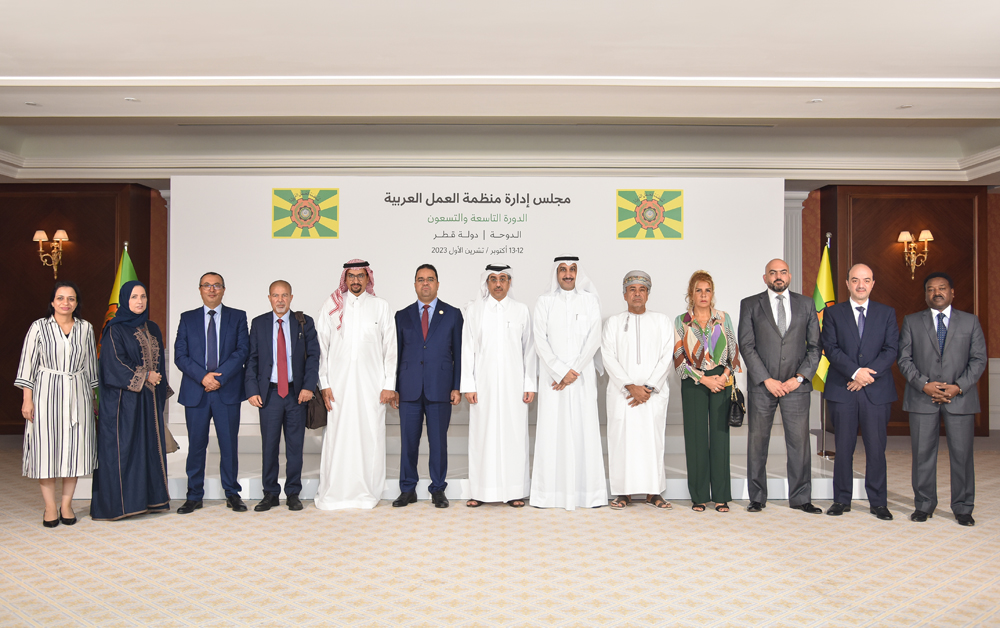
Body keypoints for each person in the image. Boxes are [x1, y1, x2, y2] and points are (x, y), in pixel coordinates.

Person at [898, 272, 987, 526]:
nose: (936, 293)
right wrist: (924, 385)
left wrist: (959, 387)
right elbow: (904, 360)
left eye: (942, 288)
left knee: (962, 455)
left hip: (960, 398)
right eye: (930, 289)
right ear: (925, 294)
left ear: (952, 292)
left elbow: (979, 359)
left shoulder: (970, 322)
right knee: (922, 454)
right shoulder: (911, 321)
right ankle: (924, 505)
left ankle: (963, 507)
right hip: (922, 398)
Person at [738, 258, 822, 514]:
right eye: (772, 272)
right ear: (765, 278)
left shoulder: (807, 304)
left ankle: (800, 498)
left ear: (790, 276)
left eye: (783, 272)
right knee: (757, 442)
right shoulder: (750, 304)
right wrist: (767, 379)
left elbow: (815, 347)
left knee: (799, 444)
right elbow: (747, 346)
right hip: (763, 386)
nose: (778, 276)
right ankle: (757, 497)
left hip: (796, 386)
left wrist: (798, 379)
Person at [314, 261, 397, 510]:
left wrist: (388, 384)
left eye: (361, 276)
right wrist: (324, 383)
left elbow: (390, 349)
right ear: (345, 278)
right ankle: (335, 490)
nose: (356, 281)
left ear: (368, 278)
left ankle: (368, 490)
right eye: (351, 276)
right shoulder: (332, 306)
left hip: (372, 388)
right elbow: (321, 348)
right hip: (338, 388)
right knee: (339, 437)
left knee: (369, 436)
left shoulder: (380, 306)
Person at [15, 281, 98, 527]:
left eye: (71, 299)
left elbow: (92, 367)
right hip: (45, 395)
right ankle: (50, 506)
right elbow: (27, 365)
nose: (65, 303)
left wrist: (93, 399)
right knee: (47, 451)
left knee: (74, 451)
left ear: (76, 303)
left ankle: (66, 504)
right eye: (60, 298)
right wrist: (27, 400)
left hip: (78, 394)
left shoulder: (86, 328)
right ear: (52, 302)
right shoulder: (38, 327)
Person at [821, 264, 899, 520]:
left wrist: (865, 376)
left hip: (876, 391)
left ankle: (878, 502)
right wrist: (855, 373)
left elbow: (891, 350)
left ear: (873, 283)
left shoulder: (887, 313)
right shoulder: (833, 314)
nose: (861, 285)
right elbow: (830, 348)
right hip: (843, 389)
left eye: (866, 280)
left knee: (876, 448)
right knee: (843, 448)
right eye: (855, 280)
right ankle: (841, 500)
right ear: (847, 283)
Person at [531, 256, 607, 510]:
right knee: (552, 432)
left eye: (572, 269)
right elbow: (540, 340)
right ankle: (548, 495)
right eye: (562, 270)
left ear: (578, 273)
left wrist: (573, 371)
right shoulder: (544, 302)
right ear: (556, 273)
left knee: (583, 432)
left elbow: (594, 338)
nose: (567, 274)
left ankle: (588, 494)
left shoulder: (590, 301)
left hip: (581, 379)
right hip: (554, 381)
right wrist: (560, 371)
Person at [90, 281, 171, 520]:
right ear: (125, 300)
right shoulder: (114, 329)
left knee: (148, 448)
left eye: (143, 297)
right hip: (122, 403)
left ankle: (150, 501)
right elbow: (113, 364)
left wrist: (157, 384)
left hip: (148, 400)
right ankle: (120, 506)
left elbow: (160, 364)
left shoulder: (153, 327)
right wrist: (145, 375)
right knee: (124, 449)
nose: (139, 301)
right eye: (134, 297)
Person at [460, 264, 536, 508]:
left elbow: (530, 351)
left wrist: (529, 384)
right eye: (493, 279)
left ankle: (515, 491)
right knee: (483, 436)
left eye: (503, 279)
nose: (498, 284)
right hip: (483, 386)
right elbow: (467, 349)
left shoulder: (521, 310)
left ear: (509, 282)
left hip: (514, 386)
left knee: (514, 436)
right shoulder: (474, 310)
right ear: (487, 283)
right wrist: (468, 385)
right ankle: (480, 491)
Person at [174, 272, 249, 514]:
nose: (212, 289)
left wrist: (219, 378)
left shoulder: (237, 317)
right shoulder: (187, 318)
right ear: (200, 289)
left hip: (226, 391)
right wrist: (203, 377)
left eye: (217, 285)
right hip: (196, 391)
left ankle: (232, 493)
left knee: (229, 445)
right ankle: (194, 495)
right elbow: (180, 355)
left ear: (224, 290)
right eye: (207, 285)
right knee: (196, 445)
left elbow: (242, 351)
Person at [245, 280, 320, 512]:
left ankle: (293, 493)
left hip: (296, 394)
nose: (280, 300)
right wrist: (252, 389)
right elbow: (252, 359)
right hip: (269, 394)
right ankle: (269, 493)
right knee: (269, 445)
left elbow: (314, 357)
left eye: (284, 295)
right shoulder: (259, 323)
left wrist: (308, 387)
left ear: (291, 297)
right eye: (275, 295)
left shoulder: (303, 322)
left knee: (295, 446)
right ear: (269, 298)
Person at [392, 263, 463, 508]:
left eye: (430, 279)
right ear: (414, 284)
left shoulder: (453, 314)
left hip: (440, 388)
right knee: (408, 442)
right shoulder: (402, 315)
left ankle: (438, 489)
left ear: (437, 284)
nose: (425, 284)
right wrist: (393, 387)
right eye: (420, 279)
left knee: (438, 442)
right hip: (409, 389)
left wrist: (456, 386)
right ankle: (407, 489)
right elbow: (396, 354)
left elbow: (459, 353)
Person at [603, 270, 673, 511]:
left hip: (652, 396)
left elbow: (667, 356)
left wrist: (649, 388)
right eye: (632, 289)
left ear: (648, 294)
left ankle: (654, 492)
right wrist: (631, 387)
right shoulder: (613, 322)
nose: (637, 294)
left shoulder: (662, 321)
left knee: (652, 442)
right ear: (624, 294)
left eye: (642, 290)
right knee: (622, 441)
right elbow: (608, 357)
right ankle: (623, 492)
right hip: (623, 395)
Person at [673, 270, 741, 513]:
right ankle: (699, 496)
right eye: (698, 290)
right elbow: (679, 358)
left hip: (722, 381)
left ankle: (721, 496)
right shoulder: (681, 321)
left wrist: (721, 378)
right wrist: (704, 380)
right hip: (694, 383)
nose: (703, 294)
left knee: (720, 438)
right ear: (691, 294)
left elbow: (734, 354)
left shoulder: (724, 318)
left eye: (707, 290)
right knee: (696, 438)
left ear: (712, 294)